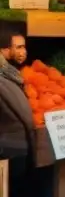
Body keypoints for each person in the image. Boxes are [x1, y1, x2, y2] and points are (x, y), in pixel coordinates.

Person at [0, 23, 33, 162]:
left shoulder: (10, 73)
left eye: (24, 46)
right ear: (5, 49)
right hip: (11, 147)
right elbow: (25, 114)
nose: (23, 51)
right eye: (18, 47)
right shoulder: (5, 79)